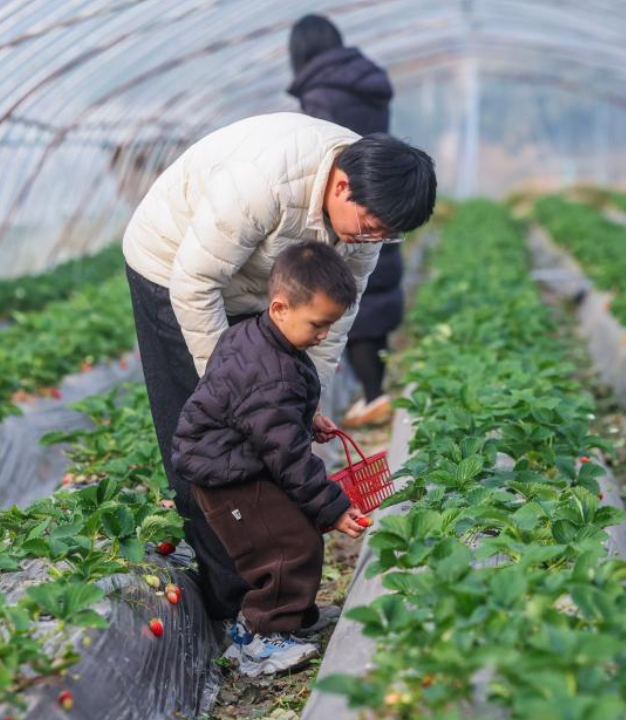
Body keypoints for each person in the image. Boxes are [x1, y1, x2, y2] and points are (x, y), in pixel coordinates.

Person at [121, 112, 435, 621]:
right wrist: (232, 388)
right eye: (373, 225)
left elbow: (338, 315)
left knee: (270, 425)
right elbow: (195, 284)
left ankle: (275, 589)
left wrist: (304, 401)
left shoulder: (367, 221)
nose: (373, 237)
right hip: (175, 268)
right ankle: (236, 608)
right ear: (342, 184)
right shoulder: (262, 182)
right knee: (209, 439)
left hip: (260, 281)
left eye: (389, 234)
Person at [172, 242, 369, 676]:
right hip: (227, 478)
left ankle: (289, 620)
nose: (322, 336)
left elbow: (270, 418)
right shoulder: (269, 372)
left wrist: (306, 416)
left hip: (238, 461)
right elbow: (287, 455)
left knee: (294, 537)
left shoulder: (259, 338)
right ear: (280, 307)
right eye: (317, 325)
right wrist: (332, 507)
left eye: (329, 325)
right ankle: (261, 641)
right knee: (288, 546)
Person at [288, 14, 402, 427]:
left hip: (348, 207)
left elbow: (321, 155)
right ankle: (374, 392)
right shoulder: (368, 84)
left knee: (347, 300)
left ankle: (371, 397)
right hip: (380, 199)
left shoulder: (323, 94)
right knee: (371, 298)